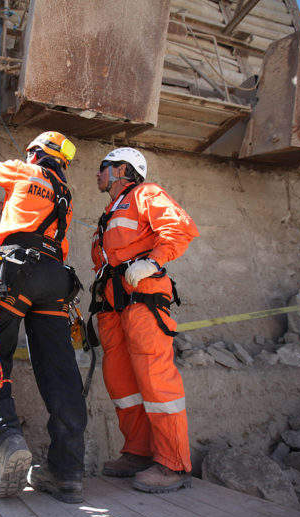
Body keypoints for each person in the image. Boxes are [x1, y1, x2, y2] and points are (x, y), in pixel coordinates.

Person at [0, 131, 87, 503]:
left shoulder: (21, 170)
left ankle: (7, 440)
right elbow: (34, 220)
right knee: (60, 371)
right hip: (55, 278)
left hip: (15, 271)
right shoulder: (64, 193)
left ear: (34, 154)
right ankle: (67, 471)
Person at [90, 147, 198, 493]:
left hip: (143, 298)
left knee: (156, 379)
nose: (98, 173)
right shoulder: (110, 211)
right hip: (113, 305)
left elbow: (180, 228)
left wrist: (153, 261)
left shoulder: (146, 193)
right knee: (121, 383)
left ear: (122, 168)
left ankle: (173, 464)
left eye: (103, 167)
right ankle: (138, 452)